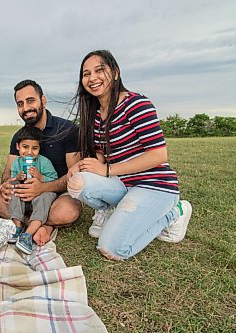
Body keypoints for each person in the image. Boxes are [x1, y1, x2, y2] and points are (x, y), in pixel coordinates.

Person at [66, 49, 193, 260]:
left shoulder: (136, 104)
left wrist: (107, 170)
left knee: (112, 248)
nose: (92, 78)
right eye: (86, 74)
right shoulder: (97, 115)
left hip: (155, 185)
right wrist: (80, 167)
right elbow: (101, 154)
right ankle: (109, 214)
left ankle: (175, 213)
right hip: (124, 184)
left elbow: (158, 155)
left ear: (115, 72)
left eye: (100, 70)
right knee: (77, 182)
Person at [0, 79, 81, 246]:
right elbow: (7, 173)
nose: (25, 108)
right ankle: (37, 226)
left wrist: (43, 187)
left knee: (67, 212)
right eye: (20, 104)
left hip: (57, 195)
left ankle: (30, 223)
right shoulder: (19, 136)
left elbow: (75, 177)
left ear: (43, 100)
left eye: (30, 101)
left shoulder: (67, 129)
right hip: (23, 195)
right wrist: (6, 185)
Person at [8, 125, 58, 254]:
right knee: (14, 191)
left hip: (40, 194)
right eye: (25, 147)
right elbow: (12, 180)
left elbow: (54, 179)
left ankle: (28, 235)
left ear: (39, 149)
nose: (29, 152)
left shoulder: (44, 162)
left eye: (34, 148)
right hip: (24, 195)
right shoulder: (17, 163)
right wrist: (17, 177)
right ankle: (17, 226)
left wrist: (40, 177)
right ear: (18, 146)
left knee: (45, 197)